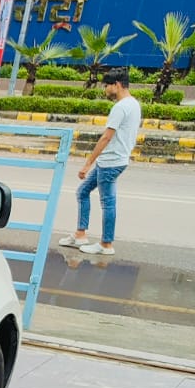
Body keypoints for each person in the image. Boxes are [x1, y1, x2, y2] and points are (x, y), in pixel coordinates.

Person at [61, 67, 141, 257]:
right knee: (82, 191)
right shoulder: (134, 104)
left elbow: (106, 137)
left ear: (118, 85)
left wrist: (88, 163)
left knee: (108, 203)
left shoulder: (120, 107)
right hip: (114, 160)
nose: (105, 90)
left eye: (107, 86)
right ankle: (80, 234)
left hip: (111, 162)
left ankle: (106, 244)